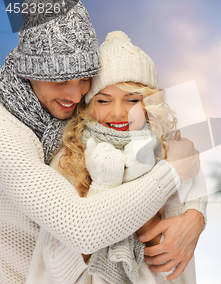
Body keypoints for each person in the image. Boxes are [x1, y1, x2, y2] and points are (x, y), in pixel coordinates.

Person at [0, 1, 206, 283]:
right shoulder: (7, 136)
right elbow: (80, 227)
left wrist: (194, 217)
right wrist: (172, 171)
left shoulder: (78, 119)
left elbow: (196, 164)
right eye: (60, 81)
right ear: (28, 72)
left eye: (85, 79)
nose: (74, 96)